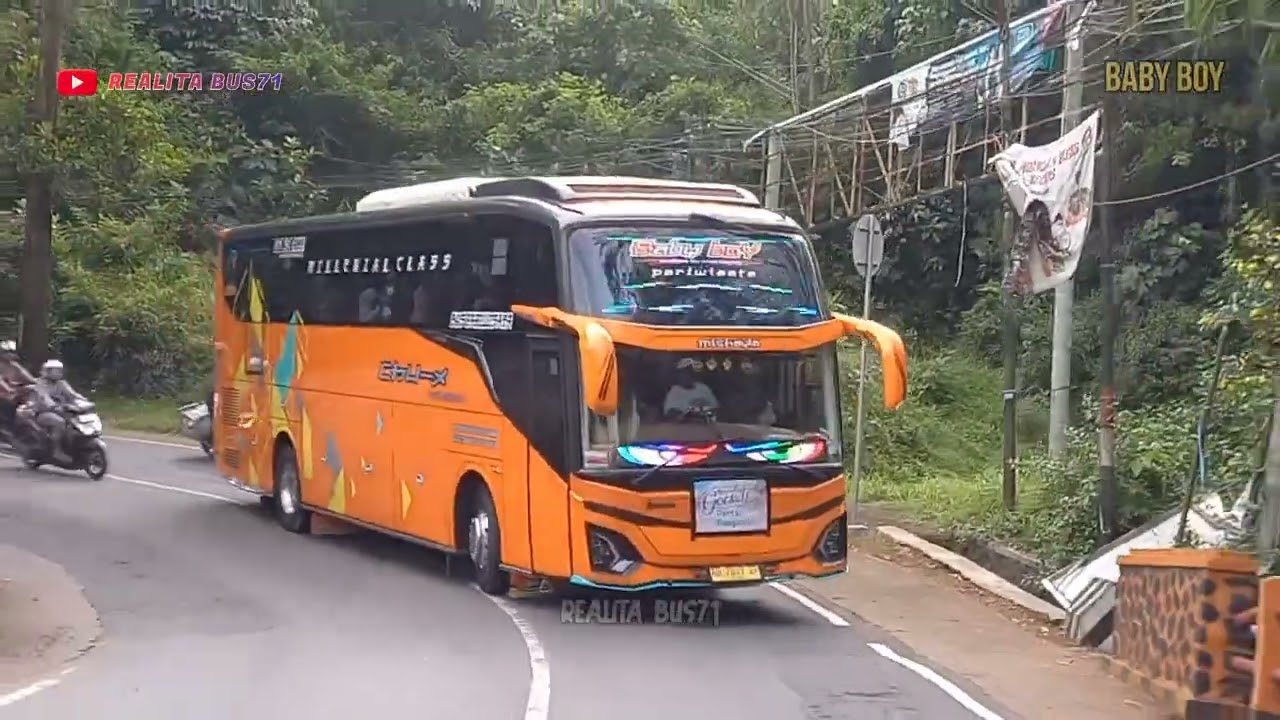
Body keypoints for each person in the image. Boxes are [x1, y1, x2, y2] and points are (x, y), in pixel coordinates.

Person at [31, 359, 86, 451]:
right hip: (43, 412)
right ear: (47, 371)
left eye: (60, 370)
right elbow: (45, 398)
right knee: (59, 422)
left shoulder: (61, 383)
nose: (59, 373)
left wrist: (84, 401)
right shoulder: (39, 384)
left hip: (61, 410)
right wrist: (54, 406)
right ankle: (56, 449)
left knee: (77, 422)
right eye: (56, 371)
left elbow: (72, 394)